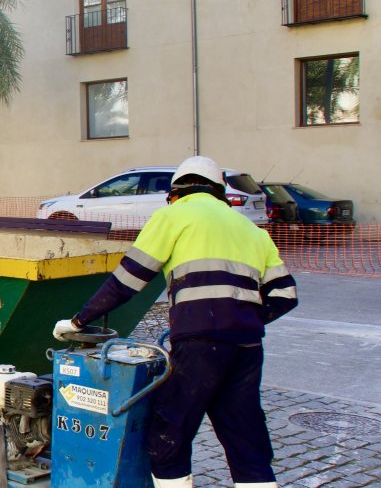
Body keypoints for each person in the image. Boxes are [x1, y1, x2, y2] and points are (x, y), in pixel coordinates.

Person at [53, 156, 298, 488]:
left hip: (198, 344)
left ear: (175, 193)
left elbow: (128, 280)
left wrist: (79, 321)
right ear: (220, 194)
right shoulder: (251, 230)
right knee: (245, 435)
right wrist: (244, 318)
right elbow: (285, 296)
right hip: (246, 347)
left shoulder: (172, 216)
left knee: (170, 432)